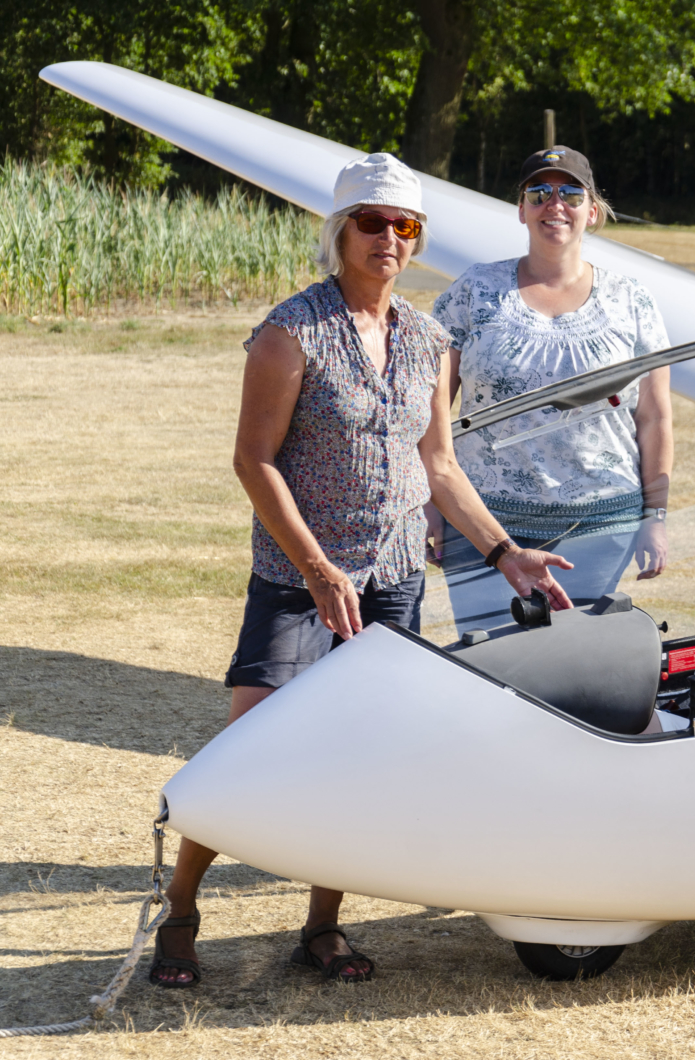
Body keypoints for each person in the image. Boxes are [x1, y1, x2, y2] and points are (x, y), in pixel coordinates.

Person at [148, 154, 574, 990]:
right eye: (372, 222)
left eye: (404, 225)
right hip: (296, 578)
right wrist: (312, 564)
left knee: (359, 756)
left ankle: (321, 929)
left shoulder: (427, 341)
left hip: (390, 581)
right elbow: (254, 459)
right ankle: (182, 911)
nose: (388, 237)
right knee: (244, 753)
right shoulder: (290, 333)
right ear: (339, 231)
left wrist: (503, 551)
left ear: (418, 241)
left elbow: (440, 466)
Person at [428, 145, 672, 626]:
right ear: (520, 209)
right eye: (538, 193)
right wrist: (431, 503)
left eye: (570, 194)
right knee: (489, 667)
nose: (554, 205)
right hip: (485, 523)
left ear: (593, 210)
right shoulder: (474, 291)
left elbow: (655, 416)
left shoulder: (633, 300)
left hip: (600, 527)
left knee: (573, 671)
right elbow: (429, 410)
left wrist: (655, 517)